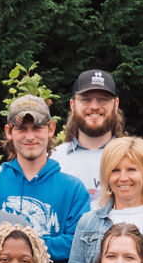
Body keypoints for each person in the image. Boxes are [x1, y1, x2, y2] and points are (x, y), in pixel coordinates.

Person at [0, 96, 93, 263]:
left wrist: (14, 252)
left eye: (37, 128)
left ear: (51, 129)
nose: (30, 136)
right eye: (21, 129)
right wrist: (51, 258)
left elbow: (77, 246)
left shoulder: (73, 189)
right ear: (9, 131)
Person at [50, 69, 123, 199]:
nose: (94, 106)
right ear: (72, 105)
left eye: (103, 99)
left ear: (116, 104)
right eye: (86, 99)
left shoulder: (137, 159)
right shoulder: (53, 160)